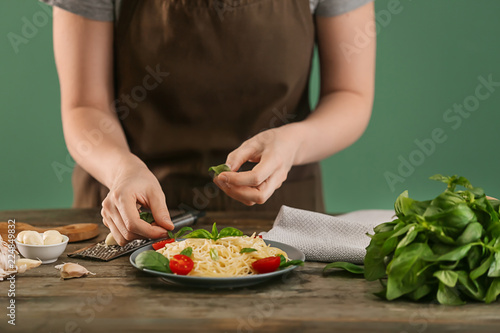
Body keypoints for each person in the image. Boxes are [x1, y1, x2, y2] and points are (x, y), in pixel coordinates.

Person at [43, 0, 376, 245]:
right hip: (130, 217)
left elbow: (349, 94)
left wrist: (294, 142)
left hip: (278, 219)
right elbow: (86, 105)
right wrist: (121, 170)